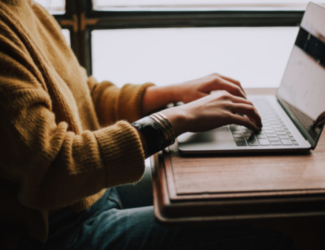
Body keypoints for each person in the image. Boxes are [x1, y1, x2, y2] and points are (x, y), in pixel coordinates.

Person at [0, 0, 295, 249]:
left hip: (90, 192)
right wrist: (176, 119)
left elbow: (82, 95)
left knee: (238, 197)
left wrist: (172, 93)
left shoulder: (25, 7)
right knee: (260, 231)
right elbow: (53, 168)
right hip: (59, 230)